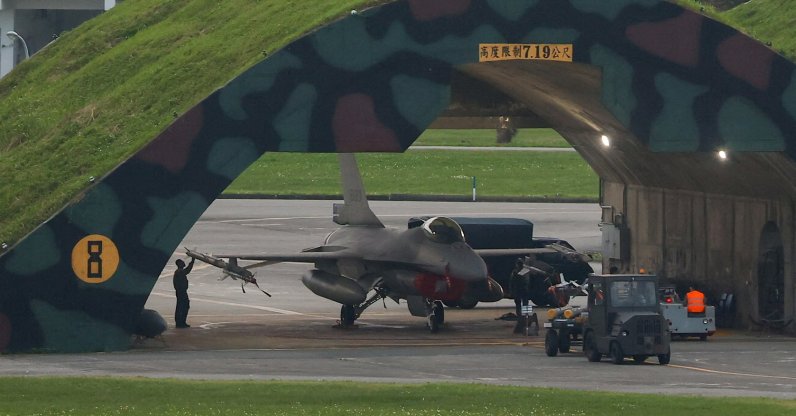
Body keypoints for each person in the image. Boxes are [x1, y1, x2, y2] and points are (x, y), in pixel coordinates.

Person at [173, 257, 195, 328]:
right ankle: (181, 322)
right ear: (179, 264)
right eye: (182, 262)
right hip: (181, 292)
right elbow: (187, 270)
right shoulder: (180, 271)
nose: (183, 262)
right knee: (183, 306)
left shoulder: (179, 271)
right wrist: (192, 261)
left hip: (181, 291)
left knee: (181, 306)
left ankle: (181, 322)